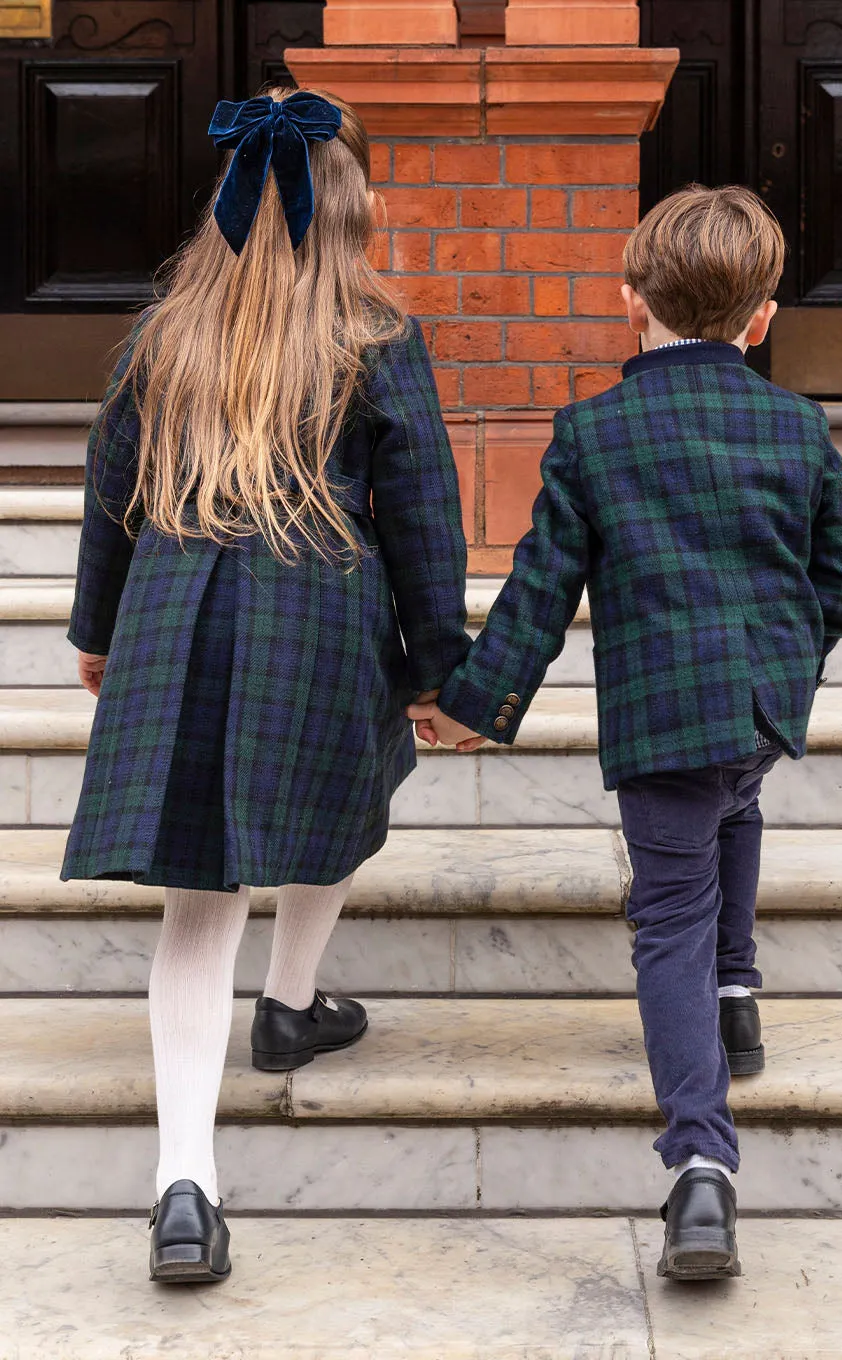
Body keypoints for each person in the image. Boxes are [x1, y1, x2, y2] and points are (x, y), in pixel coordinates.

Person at [409, 185, 842, 1281]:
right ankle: (738, 993)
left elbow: (537, 591)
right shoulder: (796, 423)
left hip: (665, 714)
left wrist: (474, 703)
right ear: (760, 319)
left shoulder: (591, 430)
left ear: (630, 303)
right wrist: (784, 653)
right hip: (760, 705)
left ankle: (699, 1169)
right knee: (741, 803)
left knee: (667, 910)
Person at [62, 88, 470, 1284]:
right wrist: (437, 666)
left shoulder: (164, 333)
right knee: (344, 789)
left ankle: (185, 1184)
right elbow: (428, 521)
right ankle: (288, 1001)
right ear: (352, 213)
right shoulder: (378, 339)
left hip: (177, 620)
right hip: (321, 616)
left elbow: (110, 499)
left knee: (198, 897)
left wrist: (98, 631)